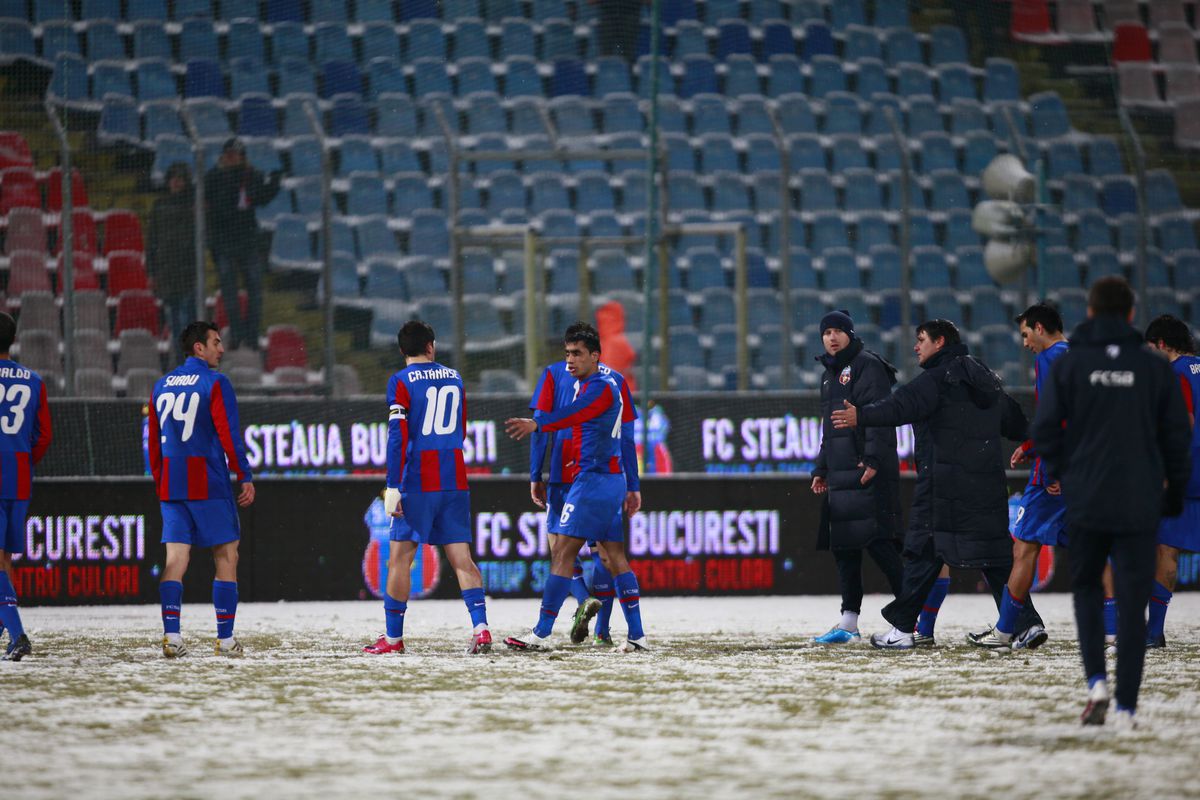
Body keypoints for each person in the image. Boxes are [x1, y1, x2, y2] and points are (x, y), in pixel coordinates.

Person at [1031, 277, 1190, 727]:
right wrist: (1172, 493)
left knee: (1086, 591)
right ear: (1132, 315)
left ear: (1091, 311)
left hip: (1088, 498)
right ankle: (1126, 707)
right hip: (1138, 500)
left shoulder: (1072, 363)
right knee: (1133, 599)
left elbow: (1045, 431)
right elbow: (1177, 438)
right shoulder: (1155, 367)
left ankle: (1097, 684)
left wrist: (1066, 474)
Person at [831, 319, 1044, 650]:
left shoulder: (934, 380)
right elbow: (1016, 423)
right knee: (995, 558)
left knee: (922, 553)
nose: (916, 346)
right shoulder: (985, 379)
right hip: (986, 486)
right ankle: (1026, 623)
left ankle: (902, 630)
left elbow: (899, 406)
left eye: (921, 340)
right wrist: (1039, 445)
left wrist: (862, 416)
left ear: (940, 342)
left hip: (942, 485)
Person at [505, 323, 647, 653]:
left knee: (563, 553)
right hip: (610, 480)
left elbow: (572, 415)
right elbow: (623, 435)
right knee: (614, 556)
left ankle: (540, 634)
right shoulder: (611, 381)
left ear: (595, 356)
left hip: (592, 481)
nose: (570, 360)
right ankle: (637, 635)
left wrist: (537, 423)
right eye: (567, 353)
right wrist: (632, 483)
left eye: (578, 354)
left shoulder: (598, 387)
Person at [363, 320, 491, 656]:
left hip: (418, 480)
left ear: (402, 350)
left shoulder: (400, 381)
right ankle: (481, 629)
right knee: (462, 558)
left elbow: (397, 435)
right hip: (453, 476)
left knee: (400, 560)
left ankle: (392, 639)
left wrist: (393, 485)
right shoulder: (455, 376)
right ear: (431, 346)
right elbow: (461, 429)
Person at [149, 321, 255, 658]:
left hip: (173, 483)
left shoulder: (161, 385)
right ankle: (225, 641)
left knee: (175, 559)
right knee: (226, 555)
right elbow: (229, 435)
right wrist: (244, 473)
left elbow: (152, 444)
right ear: (199, 347)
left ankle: (172, 637)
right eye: (216, 342)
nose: (221, 349)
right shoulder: (215, 382)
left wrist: (161, 481)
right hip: (208, 480)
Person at [967, 303, 1068, 651]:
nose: (1025, 344)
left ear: (1039, 328)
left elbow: (1056, 417)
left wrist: (1050, 464)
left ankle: (1005, 631)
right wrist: (1030, 444)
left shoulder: (1049, 359)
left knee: (1023, 548)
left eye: (1026, 335)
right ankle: (1119, 632)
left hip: (1053, 474)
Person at [809, 310, 904, 645]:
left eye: (837, 331)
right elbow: (829, 430)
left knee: (880, 545)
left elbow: (881, 416)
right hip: (840, 473)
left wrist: (875, 460)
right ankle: (848, 623)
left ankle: (910, 618)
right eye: (826, 332)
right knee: (844, 547)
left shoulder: (868, 366)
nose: (831, 337)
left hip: (865, 471)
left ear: (850, 333)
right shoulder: (828, 375)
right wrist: (821, 467)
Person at [1142, 314, 1200, 649]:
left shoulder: (1173, 375)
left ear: (1162, 345)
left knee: (1166, 548)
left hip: (1184, 473)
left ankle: (1154, 632)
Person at [0, 313, 52, 661]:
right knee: (5, 558)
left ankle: (18, 635)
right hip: (18, 477)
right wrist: (21, 458)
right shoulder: (33, 380)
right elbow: (44, 435)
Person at [204, 138, 281, 352]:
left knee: (255, 290)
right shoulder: (214, 176)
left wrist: (274, 183)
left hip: (246, 240)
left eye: (235, 154)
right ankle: (237, 333)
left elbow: (260, 198)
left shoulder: (251, 175)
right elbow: (212, 204)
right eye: (228, 154)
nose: (232, 158)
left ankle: (251, 334)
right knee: (230, 292)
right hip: (224, 241)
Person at [147, 162, 197, 356]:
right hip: (166, 271)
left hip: (186, 271)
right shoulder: (160, 206)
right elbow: (151, 242)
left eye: (180, 179)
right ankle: (181, 361)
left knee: (186, 320)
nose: (176, 182)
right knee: (174, 322)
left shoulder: (192, 205)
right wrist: (151, 272)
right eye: (173, 178)